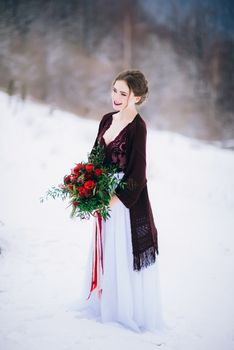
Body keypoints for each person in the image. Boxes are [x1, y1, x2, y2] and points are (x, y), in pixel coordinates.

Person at [76, 69, 164, 333]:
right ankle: (104, 304)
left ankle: (121, 311)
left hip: (126, 201)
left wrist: (112, 200)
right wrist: (84, 186)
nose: (116, 97)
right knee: (105, 249)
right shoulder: (106, 120)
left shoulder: (139, 128)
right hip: (102, 193)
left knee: (121, 251)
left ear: (136, 97)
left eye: (122, 93)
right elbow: (94, 158)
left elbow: (138, 174)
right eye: (114, 90)